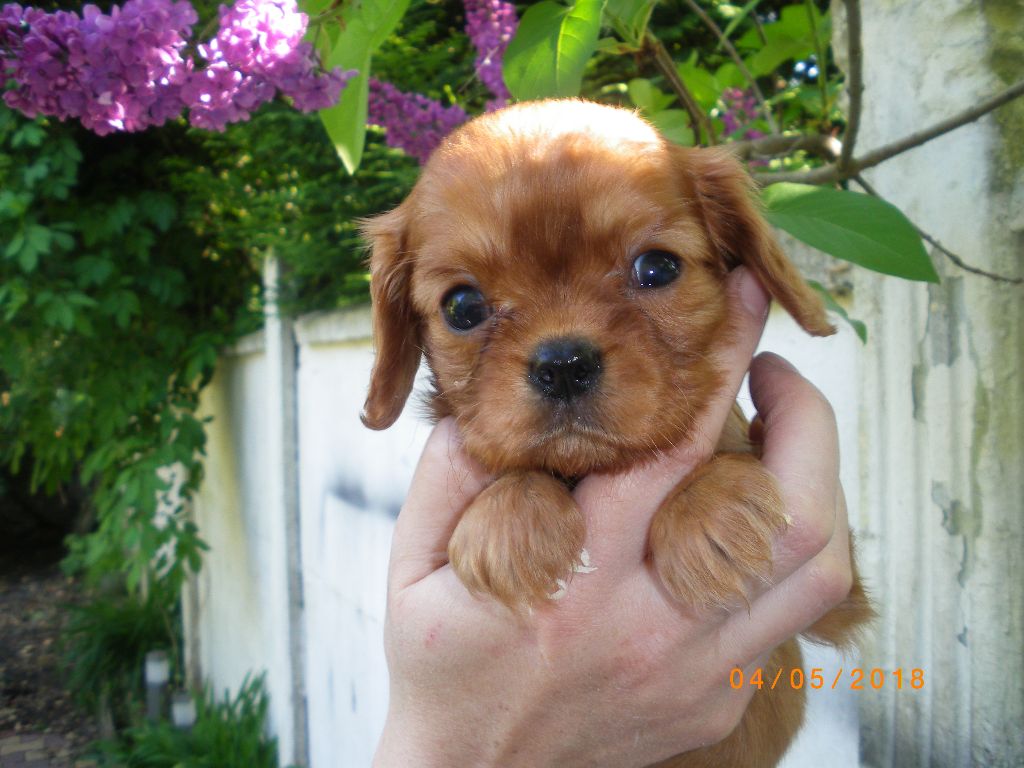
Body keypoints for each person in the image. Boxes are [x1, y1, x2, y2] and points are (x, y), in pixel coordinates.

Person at [372, 270, 856, 767]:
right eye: (467, 308)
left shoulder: (724, 457)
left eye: (654, 270)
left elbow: (837, 613)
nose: (562, 356)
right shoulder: (478, 491)